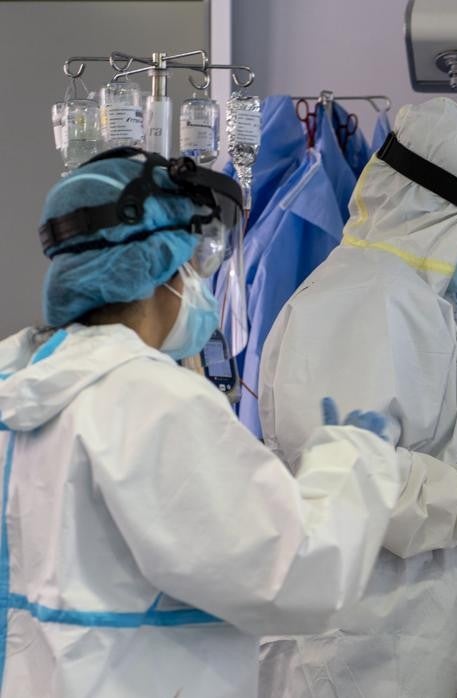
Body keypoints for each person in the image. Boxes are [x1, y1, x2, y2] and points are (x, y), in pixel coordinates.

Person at [0, 149, 404, 697]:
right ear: (160, 266)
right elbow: (292, 576)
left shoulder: (23, 382)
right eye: (196, 263)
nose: (200, 283)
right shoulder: (148, 400)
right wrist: (353, 462)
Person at [258, 97, 457, 697]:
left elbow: (442, 444)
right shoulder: (358, 300)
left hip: (414, 634)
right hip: (358, 650)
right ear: (435, 208)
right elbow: (354, 476)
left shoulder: (420, 301)